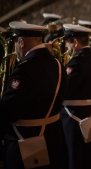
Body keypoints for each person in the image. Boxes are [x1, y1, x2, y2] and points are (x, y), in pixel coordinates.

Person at [0, 21, 68, 169]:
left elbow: (7, 109)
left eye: (16, 44)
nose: (15, 48)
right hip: (52, 139)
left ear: (21, 42)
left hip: (23, 142)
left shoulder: (24, 69)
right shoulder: (57, 64)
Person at [60, 24, 91, 169]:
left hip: (73, 117)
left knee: (74, 157)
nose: (66, 47)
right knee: (90, 157)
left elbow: (64, 91)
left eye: (67, 43)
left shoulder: (77, 62)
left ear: (75, 42)